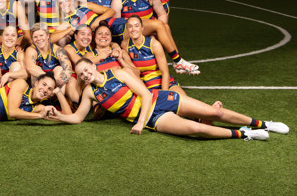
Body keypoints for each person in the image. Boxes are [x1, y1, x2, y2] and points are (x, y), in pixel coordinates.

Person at [49, 58, 289, 141]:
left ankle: (263, 124)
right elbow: (79, 118)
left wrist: (140, 123)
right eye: (81, 75)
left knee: (215, 113)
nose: (85, 75)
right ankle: (246, 134)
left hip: (159, 100)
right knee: (195, 129)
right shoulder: (91, 93)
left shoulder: (117, 73)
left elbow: (144, 94)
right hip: (156, 118)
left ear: (93, 66)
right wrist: (59, 116)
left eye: (86, 70)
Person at [122, 15, 186, 94]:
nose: (133, 29)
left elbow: (165, 72)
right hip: (144, 87)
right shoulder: (125, 45)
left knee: (182, 100)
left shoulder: (154, 44)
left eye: (136, 26)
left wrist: (164, 94)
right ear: (127, 29)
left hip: (164, 84)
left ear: (142, 28)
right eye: (130, 26)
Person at [49, 0, 114, 46]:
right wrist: (69, 29)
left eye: (66, 1)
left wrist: (97, 21)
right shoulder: (66, 22)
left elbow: (111, 11)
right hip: (98, 38)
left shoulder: (85, 5)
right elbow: (51, 39)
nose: (64, 4)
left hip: (110, 25)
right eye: (61, 3)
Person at [24, 23, 73, 87]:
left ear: (47, 36)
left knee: (59, 69)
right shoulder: (31, 50)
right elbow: (30, 68)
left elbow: (68, 68)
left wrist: (61, 80)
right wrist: (50, 79)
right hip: (39, 84)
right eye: (35, 37)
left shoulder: (57, 49)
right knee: (36, 70)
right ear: (32, 39)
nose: (38, 39)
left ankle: (56, 95)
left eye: (41, 35)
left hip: (55, 85)